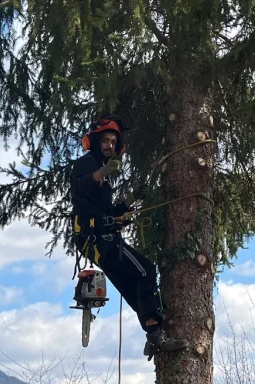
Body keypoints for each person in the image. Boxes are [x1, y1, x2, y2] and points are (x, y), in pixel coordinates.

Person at [70, 113, 189, 359]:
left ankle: (153, 333)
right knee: (146, 271)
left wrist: (130, 200)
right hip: (98, 240)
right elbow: (79, 188)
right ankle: (155, 332)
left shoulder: (103, 177)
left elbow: (107, 213)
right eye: (105, 141)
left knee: (132, 285)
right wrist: (101, 173)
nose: (109, 146)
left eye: (113, 142)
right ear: (95, 141)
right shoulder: (86, 165)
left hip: (103, 239)